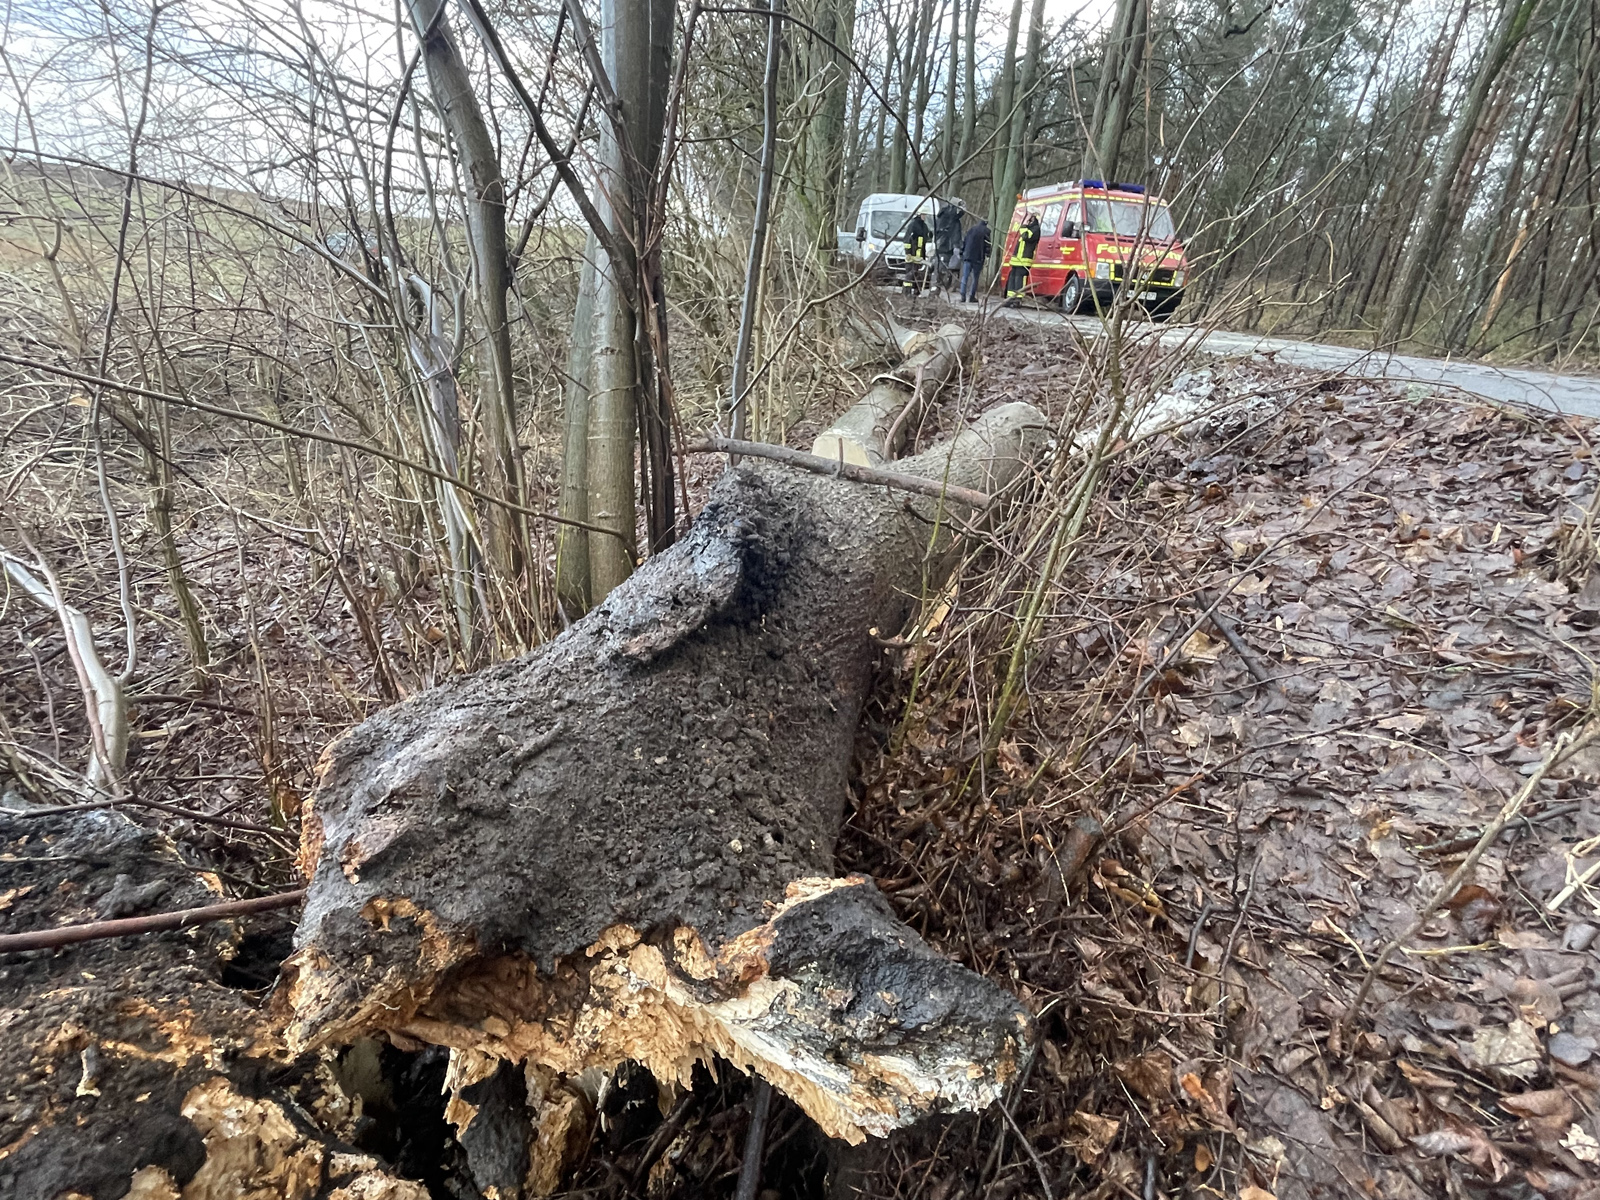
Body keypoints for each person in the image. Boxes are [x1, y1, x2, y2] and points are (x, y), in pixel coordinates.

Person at [1005, 211, 1041, 302]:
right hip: (1017, 259)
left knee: (1019, 279)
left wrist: (1024, 225)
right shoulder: (1028, 228)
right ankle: (1010, 299)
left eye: (1029, 218)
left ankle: (1018, 299)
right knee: (1012, 278)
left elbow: (1026, 236)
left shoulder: (1036, 229)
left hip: (1024, 260)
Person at [934, 200, 964, 291]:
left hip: (947, 245)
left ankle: (941, 283)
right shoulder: (949, 217)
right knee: (944, 265)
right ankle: (939, 283)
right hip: (946, 246)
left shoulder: (946, 218)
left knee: (947, 265)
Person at [901, 211, 932, 297]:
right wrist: (908, 253)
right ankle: (906, 292)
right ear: (919, 214)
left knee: (917, 275)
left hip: (919, 256)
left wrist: (930, 235)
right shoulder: (913, 225)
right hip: (911, 255)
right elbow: (907, 240)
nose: (925, 217)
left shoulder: (923, 226)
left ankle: (916, 292)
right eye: (924, 215)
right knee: (910, 274)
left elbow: (925, 238)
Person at [960, 217, 990, 303]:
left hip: (968, 256)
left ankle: (962, 294)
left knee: (965, 276)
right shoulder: (986, 231)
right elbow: (987, 245)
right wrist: (987, 254)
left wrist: (962, 252)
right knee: (975, 278)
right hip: (978, 258)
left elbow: (965, 241)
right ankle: (971, 296)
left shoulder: (971, 229)